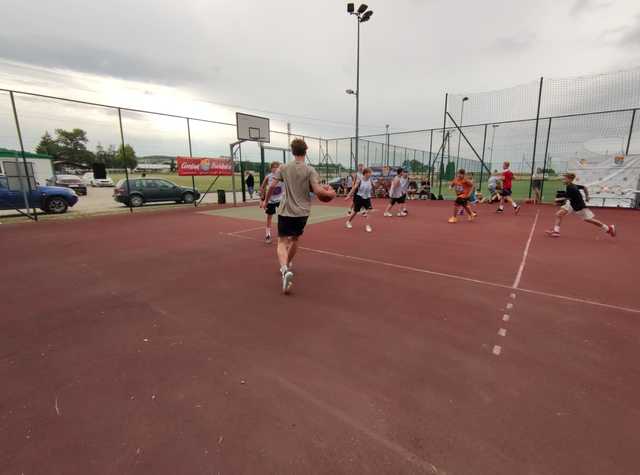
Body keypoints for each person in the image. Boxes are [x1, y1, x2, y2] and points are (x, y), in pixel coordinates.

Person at [262, 138, 335, 294]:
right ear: (305, 151)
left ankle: (284, 270)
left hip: (286, 210)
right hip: (302, 212)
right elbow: (318, 191)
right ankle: (287, 265)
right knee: (295, 239)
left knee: (281, 241)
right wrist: (331, 193)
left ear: (293, 151)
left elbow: (272, 186)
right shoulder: (310, 170)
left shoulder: (283, 168)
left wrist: (265, 201)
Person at [545, 173, 616, 238]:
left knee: (589, 220)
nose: (563, 180)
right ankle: (556, 231)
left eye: (564, 179)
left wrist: (556, 202)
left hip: (579, 207)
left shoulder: (571, 188)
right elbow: (584, 187)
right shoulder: (572, 185)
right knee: (559, 214)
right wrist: (587, 196)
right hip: (572, 204)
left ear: (569, 179)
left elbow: (565, 199)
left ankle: (608, 228)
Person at [259, 161, 284, 244]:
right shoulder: (268, 177)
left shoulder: (283, 176)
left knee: (284, 216)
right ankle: (267, 235)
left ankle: (283, 234)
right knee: (269, 217)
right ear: (271, 168)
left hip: (281, 200)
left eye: (277, 167)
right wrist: (262, 200)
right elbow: (262, 188)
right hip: (270, 200)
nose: (275, 168)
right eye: (274, 167)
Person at [345, 167, 374, 232]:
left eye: (371, 173)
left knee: (368, 211)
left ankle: (367, 225)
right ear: (365, 173)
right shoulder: (360, 180)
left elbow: (373, 186)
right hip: (359, 197)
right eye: (369, 173)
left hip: (367, 198)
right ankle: (348, 222)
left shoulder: (370, 180)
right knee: (355, 211)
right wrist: (348, 195)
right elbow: (354, 188)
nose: (371, 174)